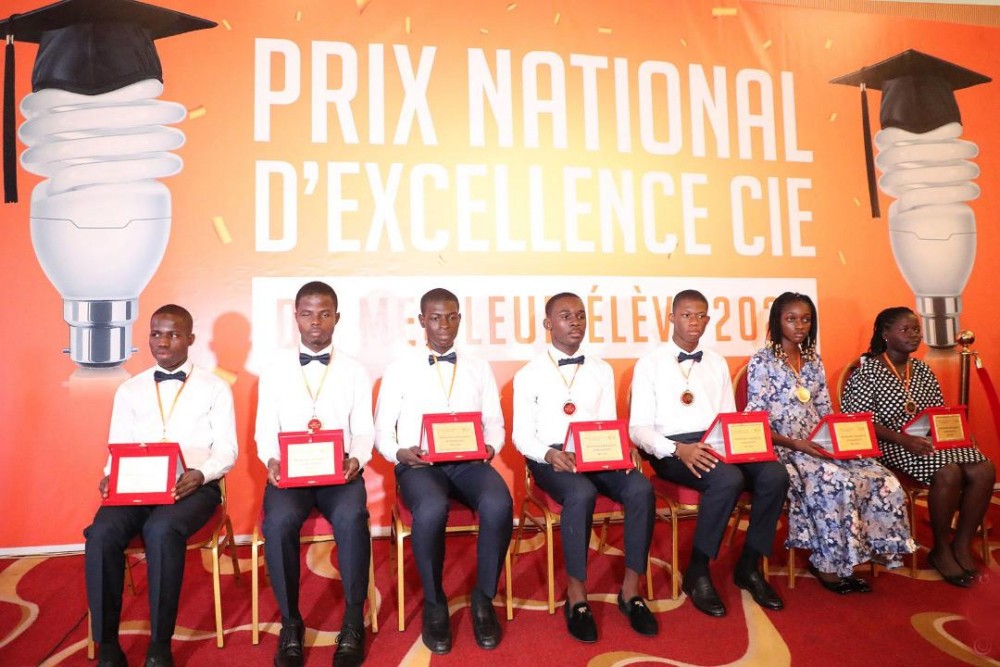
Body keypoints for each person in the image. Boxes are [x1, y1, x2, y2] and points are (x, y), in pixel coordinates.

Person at [85, 305, 238, 667]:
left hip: (193, 486)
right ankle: (107, 644)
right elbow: (117, 445)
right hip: (137, 485)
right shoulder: (129, 389)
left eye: (173, 334)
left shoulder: (215, 388)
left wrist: (202, 474)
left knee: (162, 529)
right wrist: (111, 474)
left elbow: (227, 449)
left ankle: (159, 644)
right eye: (156, 334)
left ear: (191, 339)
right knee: (101, 534)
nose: (163, 342)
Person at [629, 290, 788, 618]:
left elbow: (727, 418)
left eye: (701, 315)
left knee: (774, 474)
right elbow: (638, 429)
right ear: (671, 318)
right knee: (727, 479)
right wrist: (677, 449)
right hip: (671, 449)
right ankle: (697, 571)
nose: (694, 322)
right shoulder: (649, 364)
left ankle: (749, 566)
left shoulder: (716, 361)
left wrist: (739, 444)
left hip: (716, 442)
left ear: (708, 320)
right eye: (686, 315)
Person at [745, 293, 914, 594]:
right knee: (836, 480)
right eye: (791, 319)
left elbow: (825, 410)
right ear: (777, 321)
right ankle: (828, 564)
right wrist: (796, 444)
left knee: (880, 476)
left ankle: (862, 554)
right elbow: (755, 423)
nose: (800, 326)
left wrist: (842, 441)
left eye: (806, 319)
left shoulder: (813, 360)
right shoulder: (763, 360)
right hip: (784, 448)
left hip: (820, 444)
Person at [374, 288, 513, 654]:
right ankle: (435, 603)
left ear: (460, 320)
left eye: (451, 317)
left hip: (469, 463)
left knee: (499, 503)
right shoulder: (399, 369)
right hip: (419, 465)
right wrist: (400, 453)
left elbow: (495, 423)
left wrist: (491, 446)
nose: (444, 325)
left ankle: (483, 597)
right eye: (435, 318)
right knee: (432, 508)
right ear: (422, 321)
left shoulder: (479, 367)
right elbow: (382, 431)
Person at [513, 293, 657, 643]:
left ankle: (631, 591)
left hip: (596, 450)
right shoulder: (529, 374)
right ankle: (576, 596)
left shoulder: (601, 369)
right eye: (565, 316)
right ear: (548, 324)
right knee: (581, 493)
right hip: (552, 457)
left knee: (640, 488)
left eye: (580, 315)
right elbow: (521, 435)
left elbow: (606, 422)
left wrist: (619, 452)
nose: (575, 321)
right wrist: (549, 454)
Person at [255, 281, 372, 667]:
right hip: (290, 475)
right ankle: (291, 623)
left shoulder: (355, 371)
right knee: (278, 523)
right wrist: (271, 460)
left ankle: (353, 621)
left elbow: (364, 430)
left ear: (337, 317)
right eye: (307, 314)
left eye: (324, 314)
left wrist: (357, 459)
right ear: (296, 318)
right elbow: (264, 430)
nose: (316, 322)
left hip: (340, 473)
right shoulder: (273, 371)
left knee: (352, 518)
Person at [841, 307, 996, 587]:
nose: (914, 335)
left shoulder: (923, 369)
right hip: (889, 444)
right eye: (905, 330)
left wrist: (958, 434)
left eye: (916, 330)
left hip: (926, 440)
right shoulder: (868, 372)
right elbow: (859, 421)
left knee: (984, 469)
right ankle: (941, 549)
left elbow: (937, 412)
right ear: (885, 334)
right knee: (948, 471)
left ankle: (961, 543)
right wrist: (904, 440)